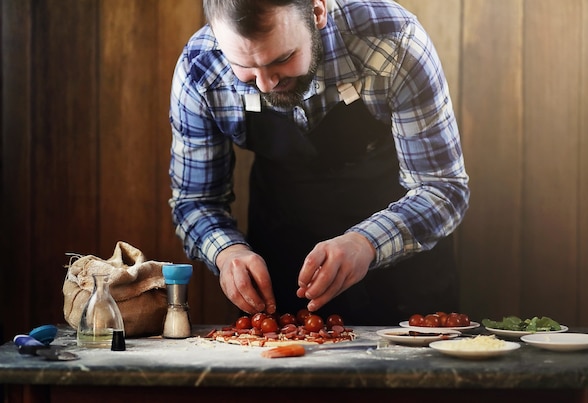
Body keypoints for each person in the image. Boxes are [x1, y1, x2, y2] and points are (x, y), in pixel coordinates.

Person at [168, 0, 470, 325]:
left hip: (403, 268)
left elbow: (442, 189)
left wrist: (365, 242)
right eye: (246, 69)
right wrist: (227, 253)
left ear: (317, 12)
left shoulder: (395, 40)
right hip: (283, 260)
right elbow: (196, 201)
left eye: (282, 59)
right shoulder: (200, 67)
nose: (266, 84)